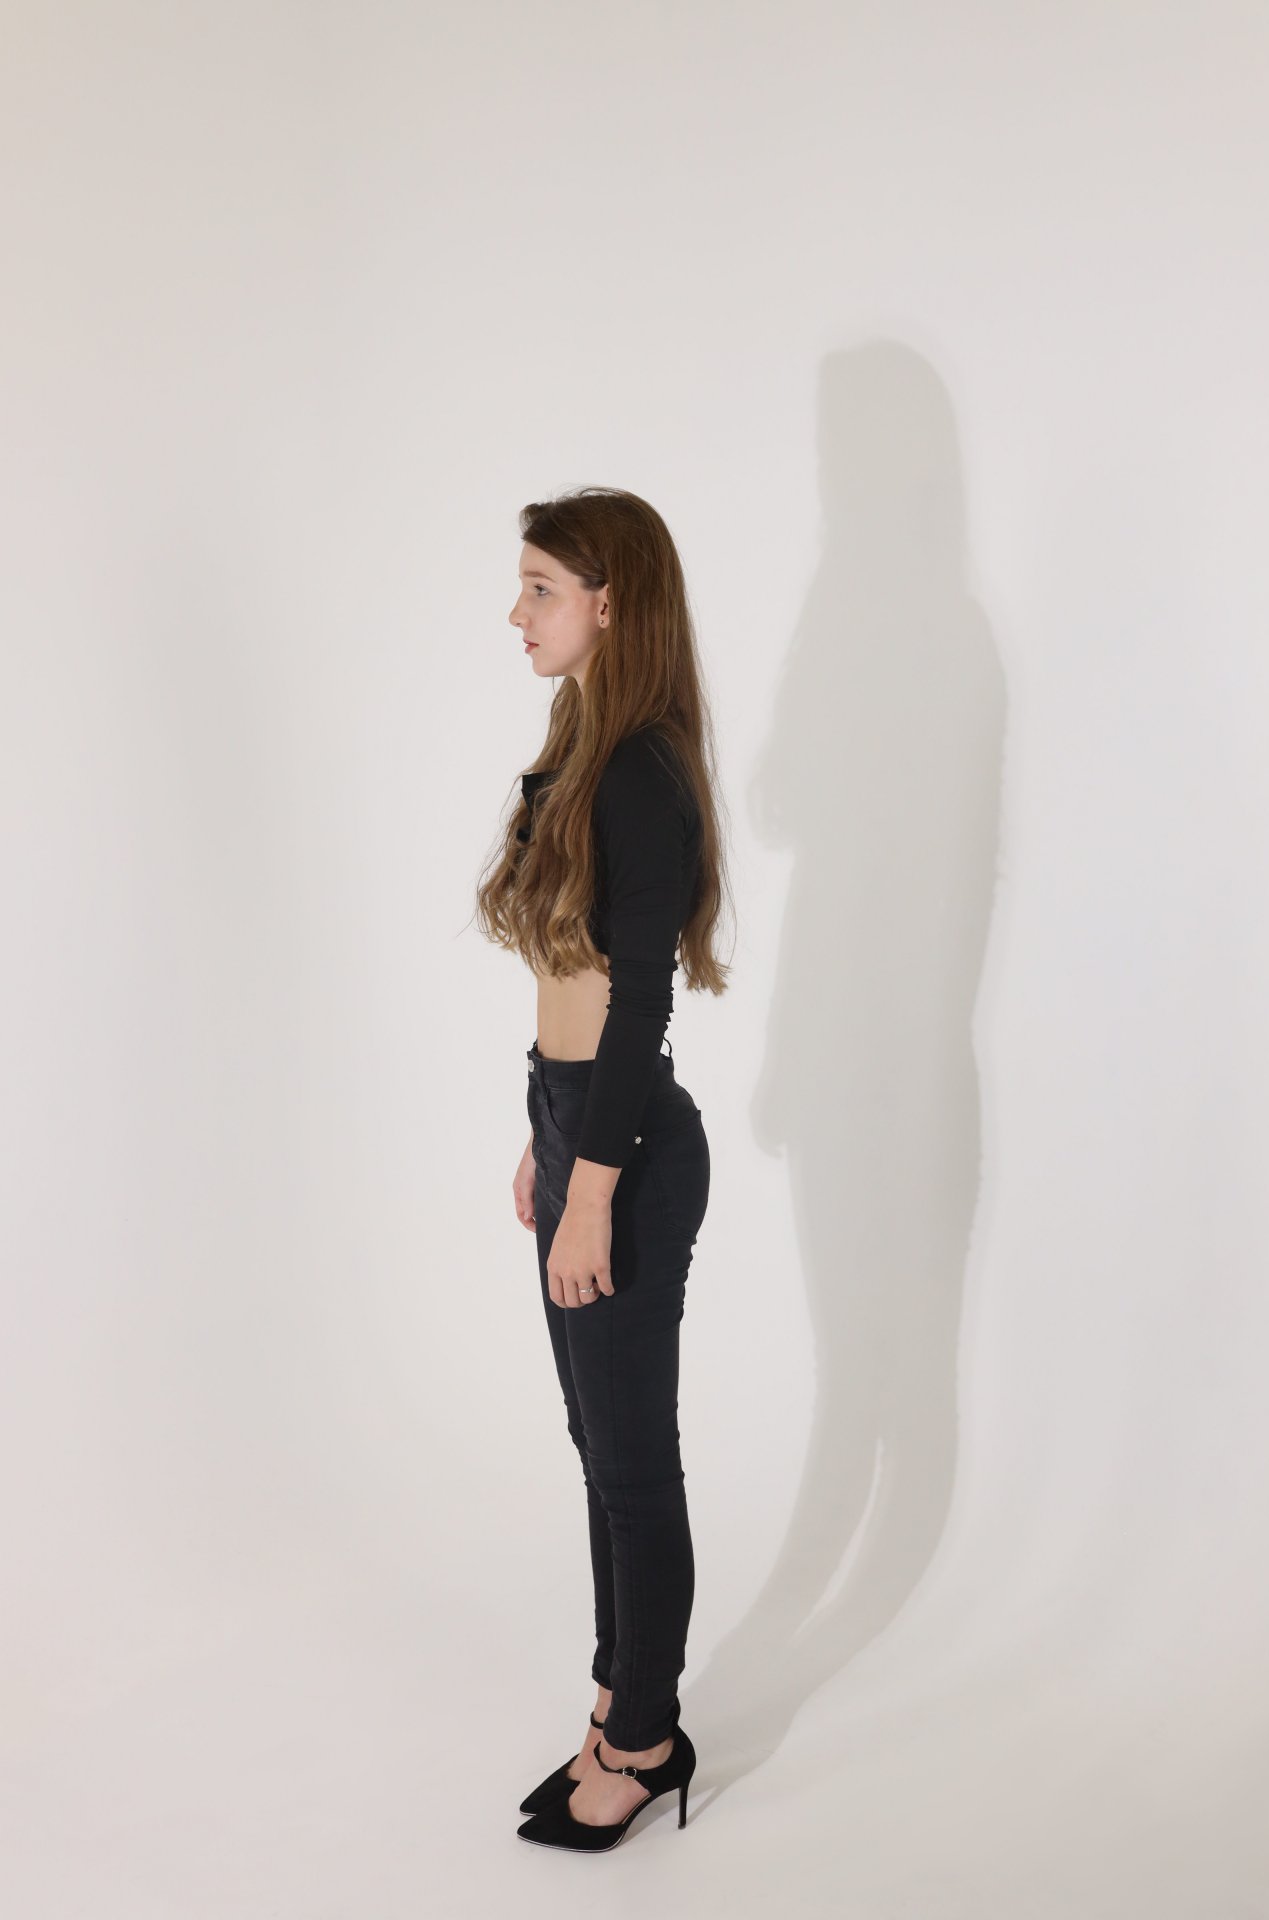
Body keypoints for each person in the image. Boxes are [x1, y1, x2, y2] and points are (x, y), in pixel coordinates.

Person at [473, 486, 732, 1852]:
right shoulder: (587, 743)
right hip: (579, 1121)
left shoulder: (638, 767)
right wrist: (547, 1131)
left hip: (624, 1151)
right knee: (601, 1449)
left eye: (540, 588)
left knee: (632, 1465)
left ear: (611, 603)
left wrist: (591, 1186)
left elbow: (640, 1004)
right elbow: (570, 983)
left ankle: (644, 1736)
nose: (516, 614)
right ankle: (613, 1700)